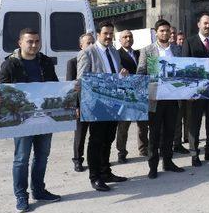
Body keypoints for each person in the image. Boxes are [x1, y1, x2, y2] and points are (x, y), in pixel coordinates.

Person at [0, 28, 62, 212]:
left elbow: (54, 85)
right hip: (22, 120)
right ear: (20, 43)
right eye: (29, 41)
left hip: (44, 117)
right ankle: (21, 196)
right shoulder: (10, 64)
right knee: (22, 158)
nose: (33, 45)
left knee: (42, 156)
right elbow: (1, 88)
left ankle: (38, 191)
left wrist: (69, 92)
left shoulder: (45, 62)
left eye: (36, 41)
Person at [77, 21, 129, 192]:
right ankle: (95, 176)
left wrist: (123, 74)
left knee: (109, 139)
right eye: (105, 33)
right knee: (96, 141)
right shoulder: (87, 53)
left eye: (111, 33)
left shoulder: (114, 52)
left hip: (113, 103)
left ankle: (106, 171)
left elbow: (118, 72)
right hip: (97, 104)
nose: (108, 36)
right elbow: (82, 79)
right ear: (98, 34)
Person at [137, 19, 184, 178]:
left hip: (172, 98)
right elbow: (140, 73)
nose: (165, 33)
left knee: (170, 131)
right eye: (162, 30)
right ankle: (153, 166)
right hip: (155, 98)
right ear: (156, 32)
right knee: (155, 133)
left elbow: (183, 72)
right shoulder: (147, 50)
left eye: (167, 30)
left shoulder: (177, 50)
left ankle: (168, 162)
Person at [181, 13, 209, 167]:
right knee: (195, 122)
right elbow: (185, 68)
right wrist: (188, 91)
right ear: (198, 24)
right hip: (197, 90)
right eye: (205, 23)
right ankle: (194, 154)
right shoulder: (189, 42)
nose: (208, 26)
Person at [115, 30, 148, 164]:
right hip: (125, 95)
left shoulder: (139, 53)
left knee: (143, 125)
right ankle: (121, 152)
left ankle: (144, 148)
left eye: (130, 36)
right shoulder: (116, 55)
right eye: (125, 37)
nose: (128, 39)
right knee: (123, 126)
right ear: (120, 40)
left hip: (140, 93)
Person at [68, 32, 94, 172]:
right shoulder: (72, 62)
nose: (90, 45)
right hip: (81, 104)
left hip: (95, 104)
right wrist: (75, 106)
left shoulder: (98, 60)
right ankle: (77, 160)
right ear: (81, 45)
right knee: (80, 134)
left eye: (92, 43)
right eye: (87, 43)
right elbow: (72, 88)